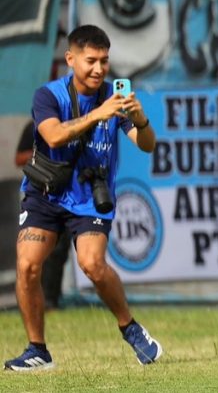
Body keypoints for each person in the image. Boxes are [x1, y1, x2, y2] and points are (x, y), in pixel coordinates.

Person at [5, 25, 162, 372]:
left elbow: (147, 144)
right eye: (91, 61)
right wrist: (97, 114)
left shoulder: (115, 97)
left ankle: (130, 328)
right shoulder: (48, 96)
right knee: (28, 266)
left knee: (92, 264)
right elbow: (54, 136)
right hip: (45, 193)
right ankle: (37, 351)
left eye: (105, 61)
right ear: (71, 59)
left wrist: (139, 118)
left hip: (91, 195)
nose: (99, 69)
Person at [15, 122, 71, 311]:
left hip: (64, 195)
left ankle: (51, 299)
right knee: (33, 255)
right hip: (38, 195)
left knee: (60, 250)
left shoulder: (68, 125)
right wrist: (42, 154)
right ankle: (33, 301)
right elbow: (18, 158)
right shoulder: (33, 126)